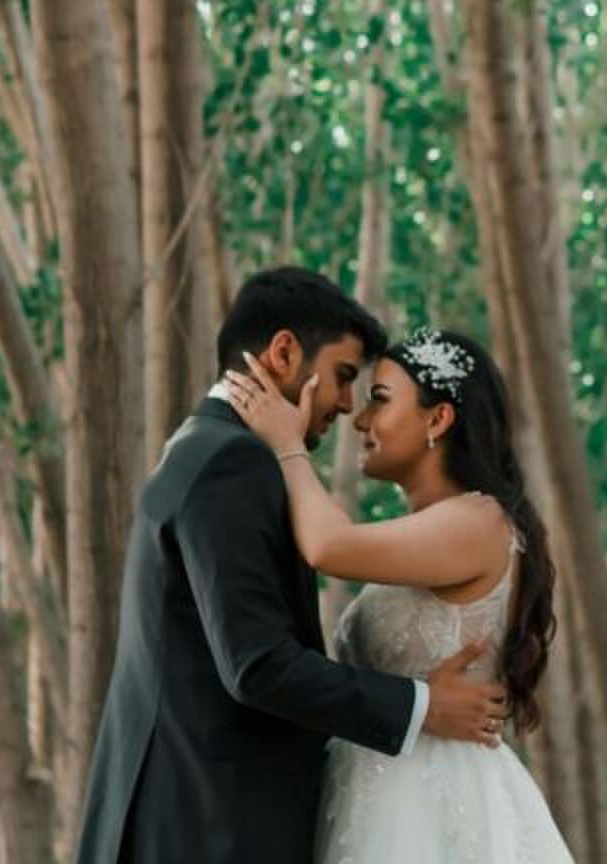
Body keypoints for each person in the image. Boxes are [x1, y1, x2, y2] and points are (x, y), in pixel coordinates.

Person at [76, 268, 507, 864]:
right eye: (344, 377)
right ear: (284, 352)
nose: (348, 405)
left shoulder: (200, 444)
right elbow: (258, 665)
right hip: (205, 829)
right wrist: (421, 706)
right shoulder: (236, 463)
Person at [225, 325, 574, 862]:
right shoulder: (433, 528)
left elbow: (327, 546)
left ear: (438, 419)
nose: (360, 420)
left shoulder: (477, 522)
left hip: (431, 807)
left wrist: (287, 444)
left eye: (380, 401)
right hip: (370, 792)